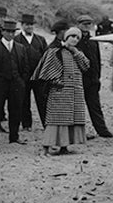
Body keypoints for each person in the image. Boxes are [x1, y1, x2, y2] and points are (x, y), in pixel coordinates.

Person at [31, 25, 89, 155]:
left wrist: (75, 52)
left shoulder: (78, 53)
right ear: (66, 37)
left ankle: (65, 146)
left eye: (77, 38)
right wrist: (57, 81)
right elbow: (46, 71)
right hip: (60, 92)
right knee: (56, 120)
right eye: (72, 36)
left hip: (75, 93)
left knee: (71, 120)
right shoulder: (55, 51)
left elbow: (86, 65)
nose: (74, 39)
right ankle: (47, 146)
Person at [0, 19, 32, 144]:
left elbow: (26, 67)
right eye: (7, 31)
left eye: (13, 32)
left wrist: (21, 81)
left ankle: (14, 137)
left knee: (16, 110)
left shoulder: (21, 48)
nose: (10, 34)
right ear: (2, 32)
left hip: (16, 84)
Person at [76, 14, 113, 137]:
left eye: (89, 24)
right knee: (78, 108)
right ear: (78, 25)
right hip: (79, 79)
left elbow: (97, 59)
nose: (86, 27)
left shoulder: (93, 41)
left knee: (95, 106)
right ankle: (79, 133)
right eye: (84, 24)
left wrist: (98, 77)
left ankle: (102, 130)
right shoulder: (74, 40)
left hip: (92, 79)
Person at [17, 14, 48, 129]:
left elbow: (46, 57)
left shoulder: (40, 40)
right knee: (24, 101)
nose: (29, 27)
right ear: (22, 25)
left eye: (31, 24)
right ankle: (26, 124)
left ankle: (46, 124)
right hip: (23, 76)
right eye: (27, 24)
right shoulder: (17, 40)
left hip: (38, 76)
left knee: (42, 100)